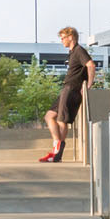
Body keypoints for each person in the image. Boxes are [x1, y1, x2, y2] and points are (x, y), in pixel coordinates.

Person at [40, 26, 94, 163]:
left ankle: (57, 152)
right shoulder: (72, 53)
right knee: (49, 116)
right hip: (66, 88)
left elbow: (91, 65)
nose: (62, 41)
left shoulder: (79, 50)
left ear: (71, 37)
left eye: (63, 37)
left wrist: (89, 84)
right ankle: (57, 146)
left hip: (72, 89)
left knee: (61, 120)